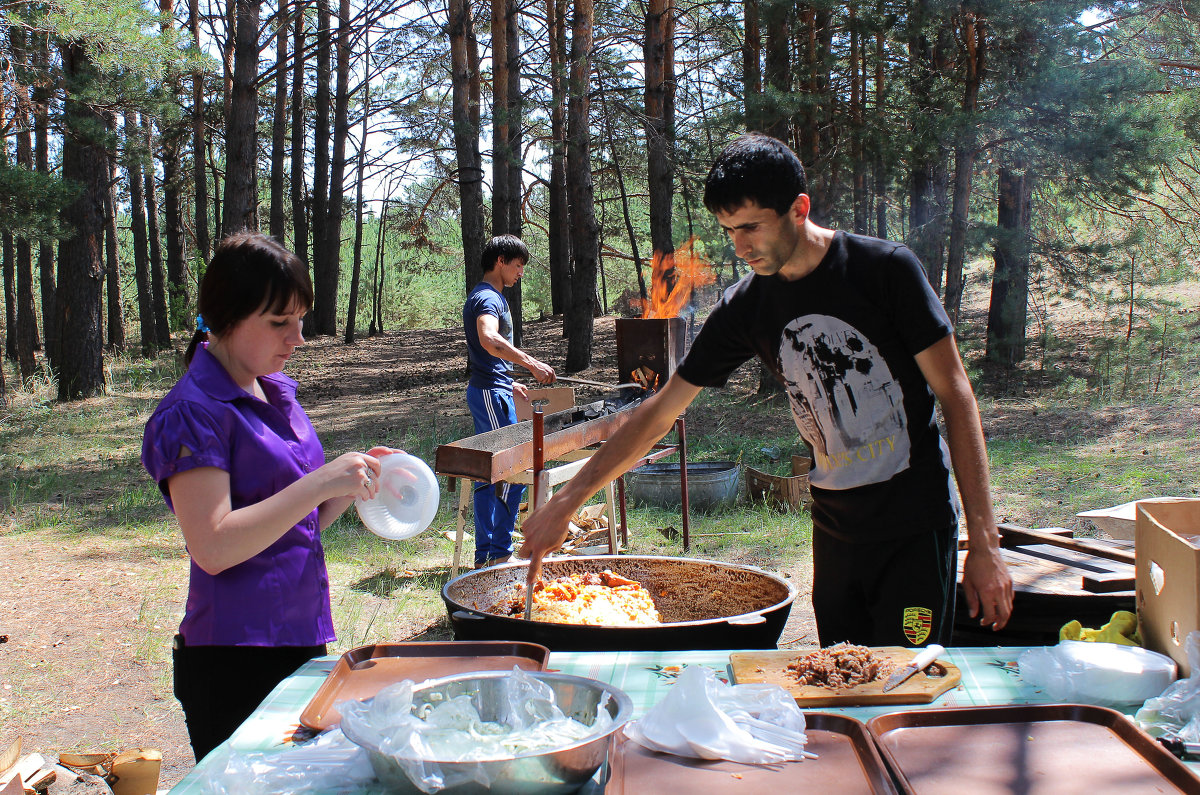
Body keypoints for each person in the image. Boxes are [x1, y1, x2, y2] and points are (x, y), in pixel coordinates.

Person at [521, 133, 1014, 647]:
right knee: (845, 681)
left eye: (751, 227)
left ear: (798, 209)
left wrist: (985, 542)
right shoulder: (746, 308)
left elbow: (956, 397)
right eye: (729, 231)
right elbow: (658, 414)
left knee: (911, 690)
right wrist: (569, 501)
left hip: (914, 528)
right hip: (836, 533)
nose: (740, 247)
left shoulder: (885, 271)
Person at [141, 232, 400, 760]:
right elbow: (212, 547)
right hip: (234, 657)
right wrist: (320, 481)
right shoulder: (193, 413)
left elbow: (294, 525)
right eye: (280, 322)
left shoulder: (272, 389)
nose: (298, 337)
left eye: (300, 319)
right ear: (226, 321)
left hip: (299, 639)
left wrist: (351, 485)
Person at [463, 235, 556, 567]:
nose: (520, 273)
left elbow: (488, 352)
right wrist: (531, 364)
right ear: (500, 261)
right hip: (489, 392)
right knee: (500, 470)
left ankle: (496, 550)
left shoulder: (493, 296)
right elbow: (488, 338)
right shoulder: (488, 298)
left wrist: (509, 379)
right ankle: (490, 554)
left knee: (511, 470)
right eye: (517, 266)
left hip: (497, 388)